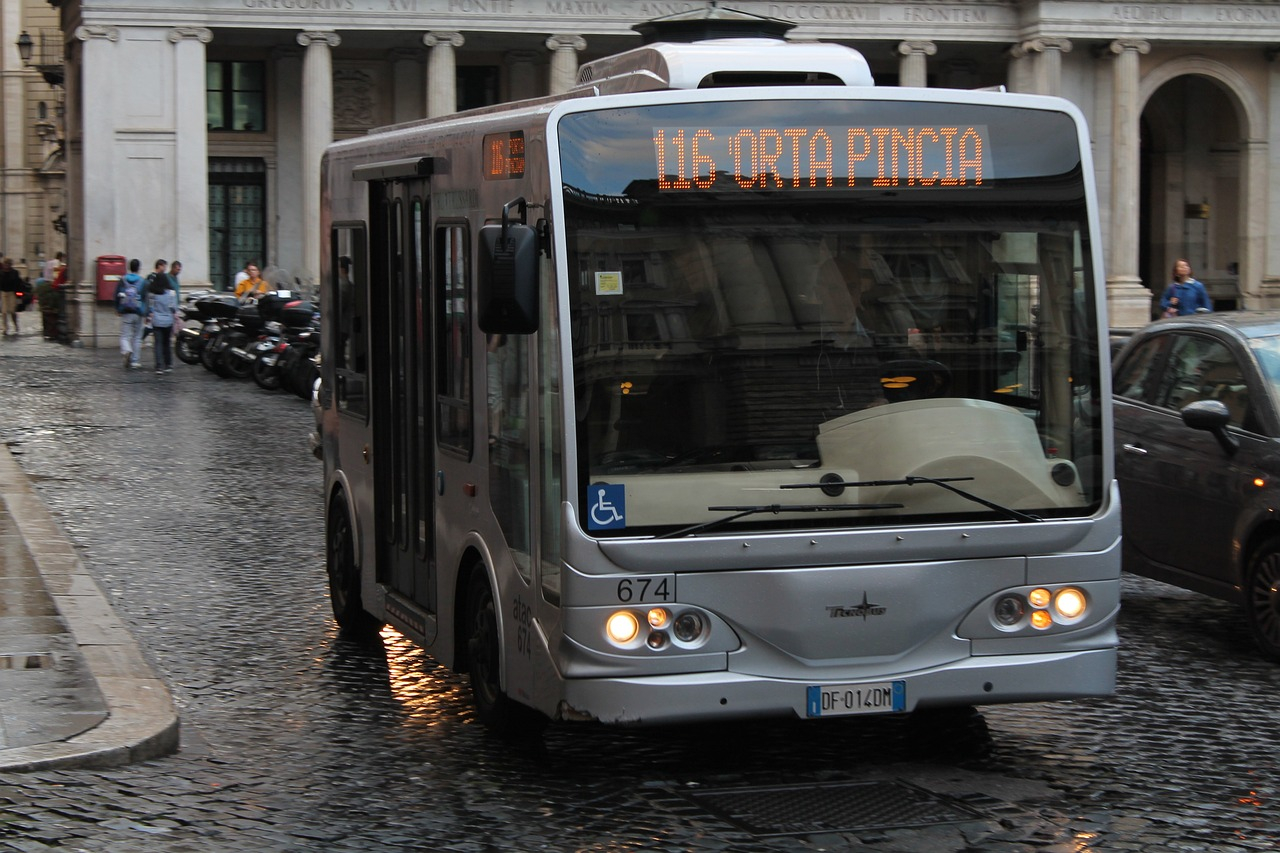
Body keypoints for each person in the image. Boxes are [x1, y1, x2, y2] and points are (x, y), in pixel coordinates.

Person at [146, 270, 179, 374]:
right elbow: (173, 308)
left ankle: (159, 366)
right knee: (167, 343)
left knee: (158, 344)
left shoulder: (152, 294)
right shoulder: (171, 293)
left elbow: (150, 307)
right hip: (168, 320)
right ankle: (168, 364)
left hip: (156, 321)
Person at [116, 259, 147, 368]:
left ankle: (126, 350)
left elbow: (117, 294)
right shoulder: (143, 281)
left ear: (129, 267)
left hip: (126, 311)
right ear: (139, 268)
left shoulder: (123, 279)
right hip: (138, 311)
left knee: (124, 335)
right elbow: (145, 298)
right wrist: (146, 312)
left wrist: (118, 309)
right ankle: (135, 361)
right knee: (137, 337)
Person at [141, 259, 167, 342]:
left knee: (151, 325)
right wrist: (150, 309)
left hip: (157, 306)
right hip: (153, 305)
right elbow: (150, 294)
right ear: (159, 266)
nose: (165, 268)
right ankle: (139, 339)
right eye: (164, 266)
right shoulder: (153, 277)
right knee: (150, 325)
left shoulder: (158, 277)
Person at [0, 258, 22, 336]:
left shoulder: (15, 273)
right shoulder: (1, 273)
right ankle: (5, 328)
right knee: (4, 311)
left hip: (12, 292)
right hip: (3, 293)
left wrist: (19, 296)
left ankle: (15, 325)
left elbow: (19, 285)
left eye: (8, 264)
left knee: (12, 311)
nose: (6, 266)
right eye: (5, 264)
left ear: (10, 265)